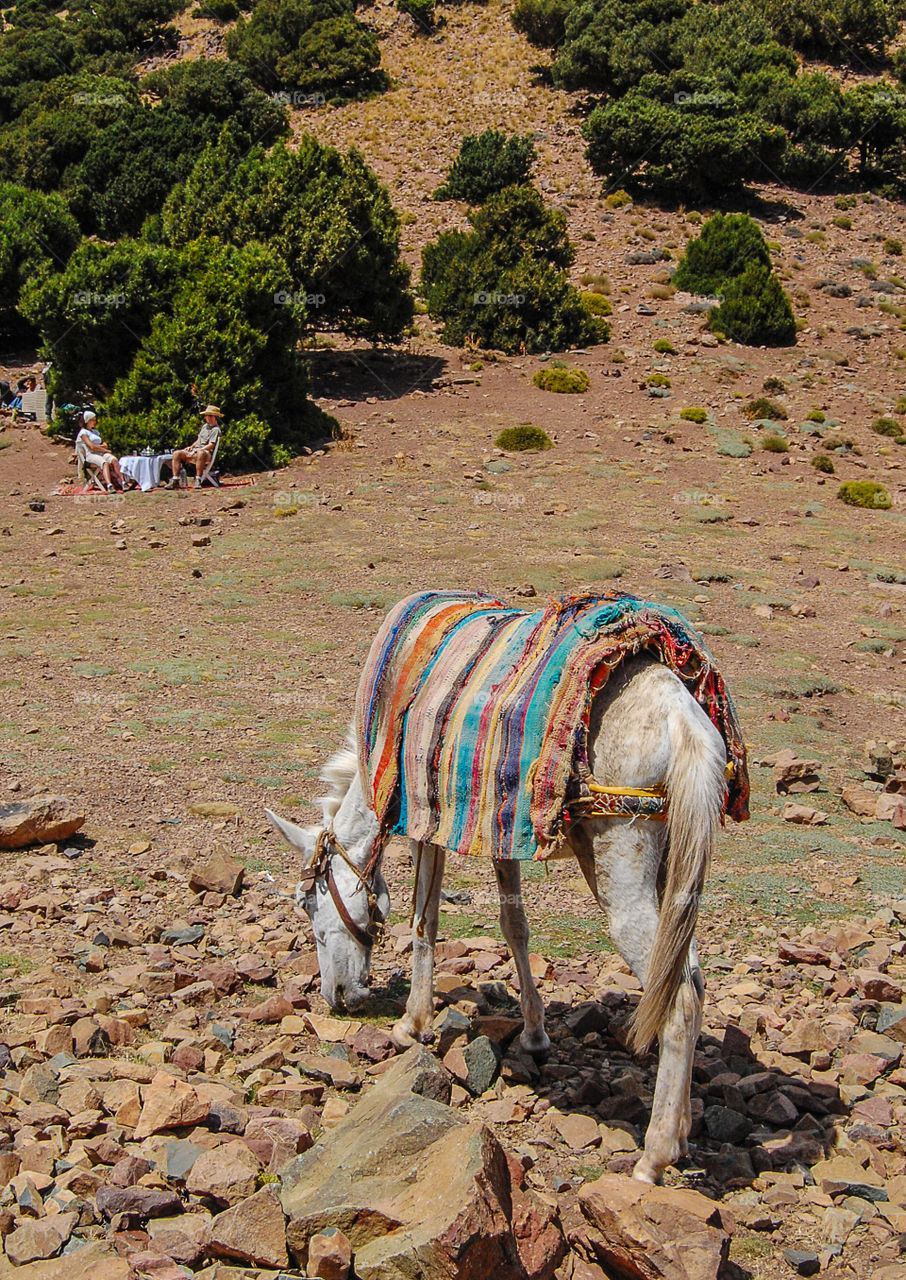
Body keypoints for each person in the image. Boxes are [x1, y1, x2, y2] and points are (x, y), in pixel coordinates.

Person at [167, 405, 222, 489]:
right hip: (196, 450)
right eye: (206, 415)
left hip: (205, 453)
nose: (207, 418)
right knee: (177, 453)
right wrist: (191, 447)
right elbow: (199, 440)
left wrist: (197, 450)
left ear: (214, 417)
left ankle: (198, 479)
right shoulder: (205, 426)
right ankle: (175, 480)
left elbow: (211, 445)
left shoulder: (215, 429)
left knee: (200, 453)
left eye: (209, 415)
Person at [75, 411, 129, 492]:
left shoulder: (96, 432)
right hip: (91, 455)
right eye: (93, 420)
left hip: (100, 453)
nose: (95, 422)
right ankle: (109, 485)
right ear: (87, 421)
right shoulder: (83, 433)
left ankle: (123, 481)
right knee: (104, 463)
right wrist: (104, 449)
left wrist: (99, 447)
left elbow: (104, 444)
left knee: (114, 460)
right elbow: (91, 447)